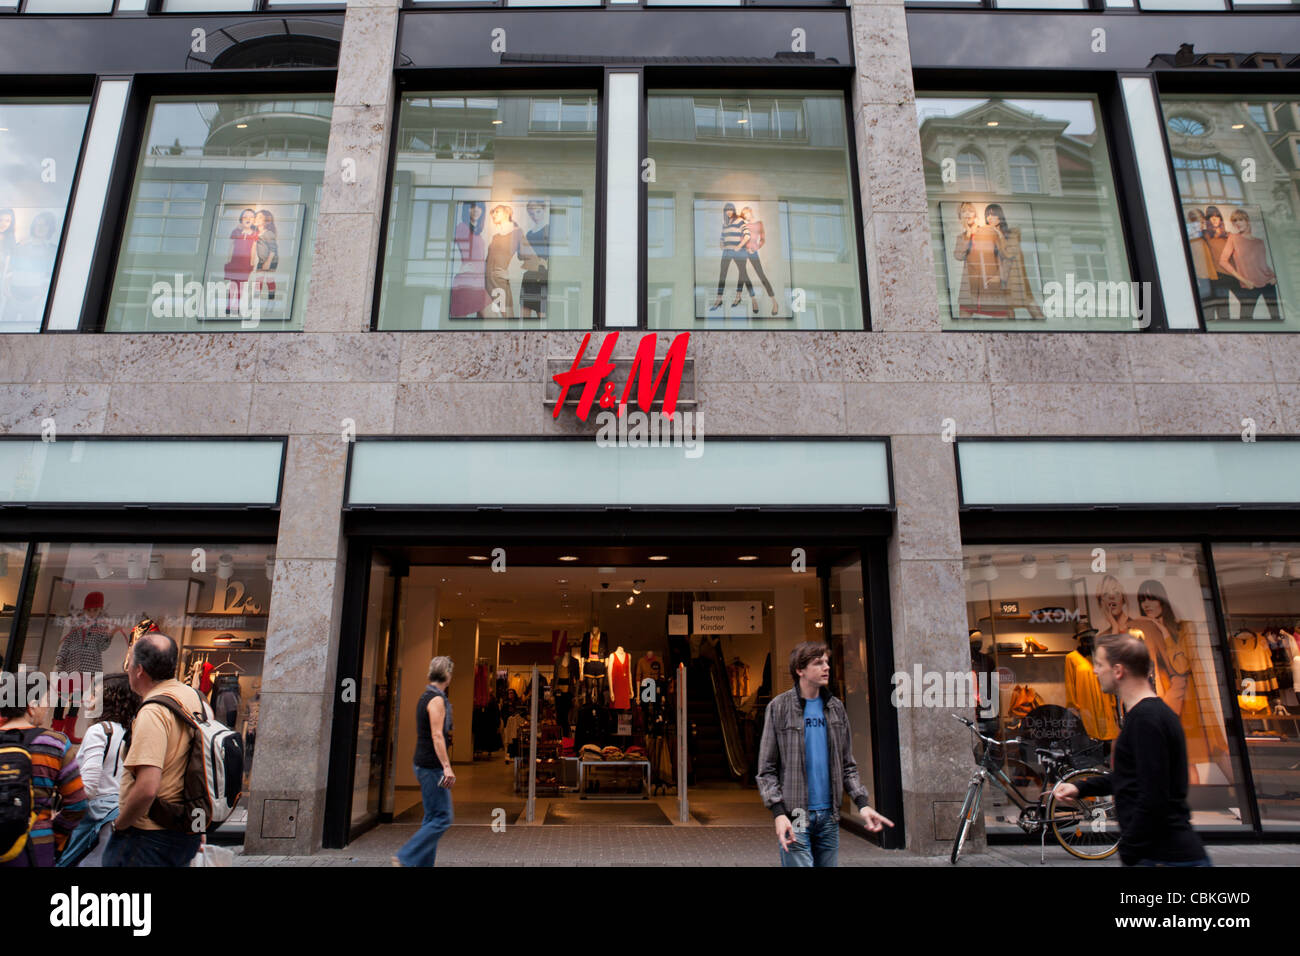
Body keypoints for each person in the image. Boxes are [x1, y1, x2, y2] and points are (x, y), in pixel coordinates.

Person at [1052, 634, 1211, 867]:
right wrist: (1081, 787)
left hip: (1164, 857)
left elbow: (1154, 795)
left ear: (1118, 670)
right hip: (1160, 853)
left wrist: (1130, 848)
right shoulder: (1147, 716)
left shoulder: (1147, 720)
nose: (1095, 671)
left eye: (1099, 665)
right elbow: (1133, 777)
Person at [756, 641, 893, 866]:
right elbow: (766, 769)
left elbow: (848, 765)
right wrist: (779, 813)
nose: (826, 667)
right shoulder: (779, 708)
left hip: (829, 815)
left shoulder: (836, 708)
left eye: (826, 662)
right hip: (797, 814)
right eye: (818, 663)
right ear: (800, 670)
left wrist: (862, 803)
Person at [104, 631, 205, 867]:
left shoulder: (153, 711)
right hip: (182, 827)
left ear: (139, 670)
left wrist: (120, 824)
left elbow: (147, 788)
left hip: (148, 834)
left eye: (130, 663)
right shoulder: (193, 697)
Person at [0, 675, 86, 867]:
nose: (47, 708)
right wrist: (53, 835)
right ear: (32, 706)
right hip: (35, 849)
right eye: (46, 701)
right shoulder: (54, 743)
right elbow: (78, 804)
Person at [57, 673, 140, 867]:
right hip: (122, 814)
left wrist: (65, 816)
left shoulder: (99, 731)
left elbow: (89, 785)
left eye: (94, 694)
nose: (87, 699)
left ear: (109, 699)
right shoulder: (133, 733)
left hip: (95, 819)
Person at [394, 655, 456, 867]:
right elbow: (437, 735)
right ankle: (406, 856)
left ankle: (421, 864)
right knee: (443, 817)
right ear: (447, 675)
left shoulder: (425, 696)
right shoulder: (436, 700)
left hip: (424, 763)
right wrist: (446, 767)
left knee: (432, 817)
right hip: (432, 766)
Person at [52, 590, 113, 740]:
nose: (92, 613)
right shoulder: (76, 624)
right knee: (63, 698)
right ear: (85, 609)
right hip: (71, 666)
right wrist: (60, 659)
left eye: (95, 610)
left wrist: (109, 635)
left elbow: (102, 647)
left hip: (88, 668)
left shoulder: (101, 626)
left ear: (100, 610)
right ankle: (56, 731)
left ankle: (68, 732)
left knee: (77, 700)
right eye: (90, 610)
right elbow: (67, 643)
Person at [1217, 210, 1280, 321]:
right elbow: (1223, 261)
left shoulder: (1259, 241)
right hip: (1249, 285)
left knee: (1276, 316)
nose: (1237, 223)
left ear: (1247, 221)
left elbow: (1262, 264)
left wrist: (1273, 276)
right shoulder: (1234, 238)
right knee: (1245, 318)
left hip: (1268, 283)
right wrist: (1244, 280)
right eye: (1234, 221)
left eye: (1240, 219)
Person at [709, 202, 752, 311]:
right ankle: (719, 299)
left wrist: (739, 246)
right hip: (727, 251)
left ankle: (738, 297)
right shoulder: (725, 223)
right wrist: (721, 244)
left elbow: (747, 235)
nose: (729, 212)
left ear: (734, 210)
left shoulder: (740, 221)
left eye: (730, 210)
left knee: (742, 272)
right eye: (727, 210)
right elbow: (722, 237)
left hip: (739, 251)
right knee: (722, 274)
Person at [451, 201, 489, 318]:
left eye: (479, 207)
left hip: (478, 282)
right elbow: (451, 250)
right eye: (472, 207)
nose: (476, 210)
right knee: (460, 321)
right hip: (466, 281)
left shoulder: (477, 231)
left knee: (487, 318)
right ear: (466, 210)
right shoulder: (461, 228)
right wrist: (459, 267)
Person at [739, 206, 779, 316]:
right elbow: (741, 239)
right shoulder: (743, 226)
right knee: (743, 274)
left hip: (753, 251)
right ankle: (753, 300)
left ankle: (774, 302)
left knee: (761, 275)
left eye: (747, 213)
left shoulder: (759, 224)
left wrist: (755, 248)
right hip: (743, 251)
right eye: (744, 214)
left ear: (751, 212)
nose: (746, 215)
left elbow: (762, 239)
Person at [223, 207, 257, 316]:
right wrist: (228, 260)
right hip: (235, 261)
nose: (248, 219)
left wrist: (252, 263)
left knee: (241, 285)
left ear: (254, 220)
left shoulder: (254, 234)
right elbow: (231, 246)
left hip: (245, 263)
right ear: (241, 219)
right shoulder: (236, 232)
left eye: (251, 217)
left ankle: (236, 305)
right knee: (233, 284)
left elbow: (253, 249)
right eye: (245, 216)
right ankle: (229, 305)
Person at [252, 208, 279, 312]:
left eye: (259, 217)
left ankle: (271, 302)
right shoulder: (257, 233)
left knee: (269, 280)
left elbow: (273, 249)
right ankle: (255, 302)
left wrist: (268, 262)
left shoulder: (268, 234)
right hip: (261, 261)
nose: (256, 219)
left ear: (266, 221)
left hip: (270, 261)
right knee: (258, 280)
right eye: (256, 217)